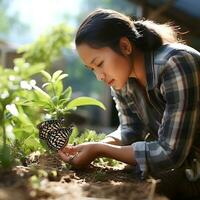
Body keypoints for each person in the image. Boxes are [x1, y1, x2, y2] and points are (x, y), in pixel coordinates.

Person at [58, 8, 200, 199]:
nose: (99, 76)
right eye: (92, 69)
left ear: (125, 46)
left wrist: (101, 150)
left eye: (99, 63)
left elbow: (170, 153)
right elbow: (131, 130)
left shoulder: (175, 63)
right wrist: (96, 145)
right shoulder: (122, 82)